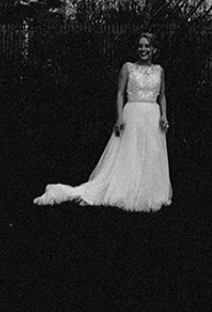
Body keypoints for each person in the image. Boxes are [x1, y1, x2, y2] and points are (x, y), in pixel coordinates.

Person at [33, 32, 171, 212]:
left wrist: (163, 115)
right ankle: (125, 190)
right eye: (140, 46)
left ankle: (150, 192)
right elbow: (120, 94)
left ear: (154, 49)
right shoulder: (128, 68)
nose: (143, 49)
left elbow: (162, 96)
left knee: (151, 155)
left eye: (147, 46)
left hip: (152, 115)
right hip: (133, 114)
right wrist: (120, 117)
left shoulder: (159, 70)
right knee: (129, 154)